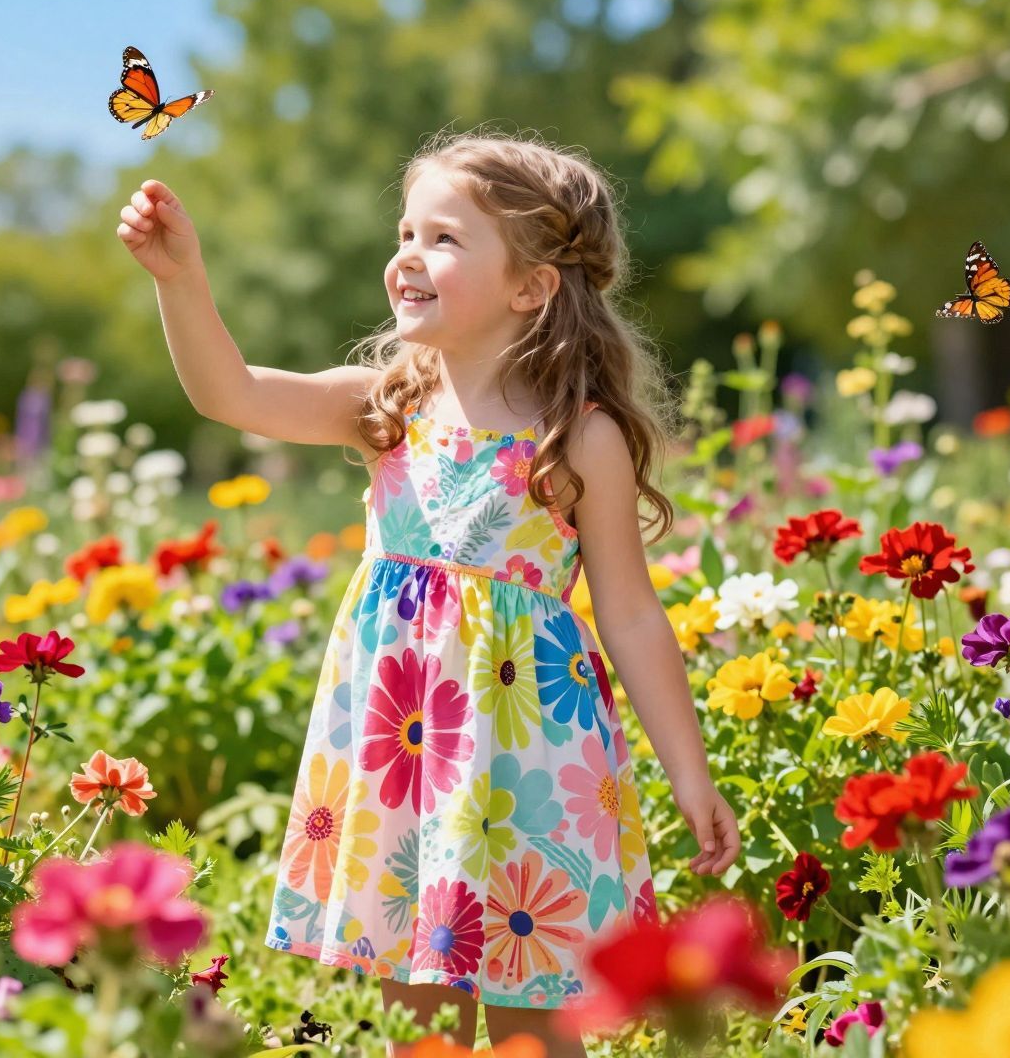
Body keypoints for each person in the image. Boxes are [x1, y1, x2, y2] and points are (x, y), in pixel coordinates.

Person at [115, 128, 741, 1056]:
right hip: (402, 759)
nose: (409, 256)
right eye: (406, 233)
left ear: (532, 287)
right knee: (416, 1013)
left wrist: (689, 771)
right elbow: (231, 392)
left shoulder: (579, 440)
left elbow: (632, 613)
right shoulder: (384, 409)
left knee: (536, 1013)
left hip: (530, 765)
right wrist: (180, 280)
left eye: (444, 238)